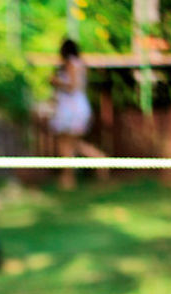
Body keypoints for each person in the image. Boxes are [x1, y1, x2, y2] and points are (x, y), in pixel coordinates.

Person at [49, 38, 107, 189]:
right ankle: (99, 159)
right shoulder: (80, 64)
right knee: (72, 142)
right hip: (77, 106)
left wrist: (56, 82)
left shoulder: (71, 64)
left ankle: (68, 178)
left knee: (65, 143)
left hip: (71, 108)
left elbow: (72, 86)